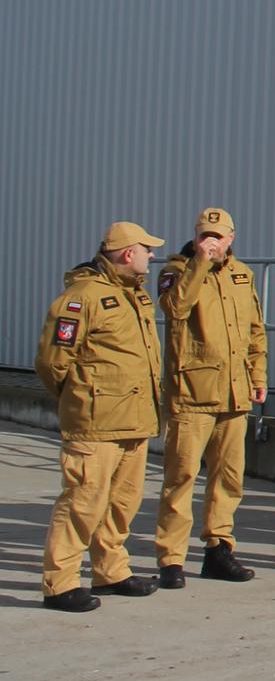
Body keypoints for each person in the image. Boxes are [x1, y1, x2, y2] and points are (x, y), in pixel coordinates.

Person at [36, 222, 167, 612]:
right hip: (95, 423)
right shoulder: (82, 297)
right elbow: (51, 362)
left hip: (135, 419)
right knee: (82, 503)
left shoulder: (134, 295)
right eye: (147, 249)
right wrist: (78, 398)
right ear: (128, 254)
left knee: (122, 503)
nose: (152, 256)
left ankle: (111, 571)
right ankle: (60, 583)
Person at [153, 208, 266, 588]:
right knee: (181, 476)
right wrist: (200, 262)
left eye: (218, 236)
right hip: (193, 394)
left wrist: (258, 375)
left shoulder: (242, 274)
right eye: (206, 235)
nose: (213, 242)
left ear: (232, 237)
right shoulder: (175, 270)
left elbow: (255, 330)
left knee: (229, 478)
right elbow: (175, 307)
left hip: (235, 393)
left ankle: (219, 549)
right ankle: (171, 558)